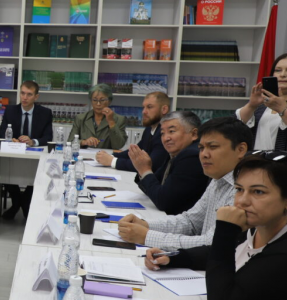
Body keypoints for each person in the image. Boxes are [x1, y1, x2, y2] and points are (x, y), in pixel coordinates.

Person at [144, 151, 287, 300]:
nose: (242, 201)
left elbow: (222, 298)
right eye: (239, 189)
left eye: (258, 192)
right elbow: (220, 254)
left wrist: (226, 229)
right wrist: (173, 257)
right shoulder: (258, 226)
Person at [118, 116, 252, 250]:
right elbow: (191, 222)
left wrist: (146, 236)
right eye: (201, 148)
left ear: (240, 150)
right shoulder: (218, 179)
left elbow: (212, 243)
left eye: (213, 147)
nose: (204, 154)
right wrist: (145, 224)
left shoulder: (245, 190)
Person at [132, 111, 208, 215]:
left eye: (171, 131)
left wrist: (145, 170)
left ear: (194, 134)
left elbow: (163, 201)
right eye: (162, 133)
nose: (165, 138)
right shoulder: (176, 153)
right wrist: (143, 169)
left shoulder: (191, 156)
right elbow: (153, 187)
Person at [0, 80, 53, 219]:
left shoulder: (45, 113)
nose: (25, 97)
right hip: (14, 155)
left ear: (36, 97)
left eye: (29, 94)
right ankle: (19, 202)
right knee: (4, 169)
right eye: (22, 93)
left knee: (38, 174)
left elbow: (48, 137)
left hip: (35, 157)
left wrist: (33, 141)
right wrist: (12, 140)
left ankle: (22, 202)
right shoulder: (10, 111)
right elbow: (1, 134)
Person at [237, 53, 287, 156]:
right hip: (255, 163)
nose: (282, 74)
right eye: (278, 70)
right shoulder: (261, 107)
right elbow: (233, 130)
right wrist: (251, 105)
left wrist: (282, 108)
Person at [96, 92, 169, 172]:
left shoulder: (165, 134)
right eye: (143, 107)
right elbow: (135, 152)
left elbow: (147, 165)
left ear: (164, 109)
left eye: (149, 107)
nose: (144, 111)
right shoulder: (149, 129)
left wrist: (112, 161)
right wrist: (110, 156)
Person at [67, 84, 126, 150]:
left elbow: (118, 145)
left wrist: (111, 122)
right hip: (85, 155)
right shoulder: (81, 118)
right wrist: (84, 142)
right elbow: (70, 142)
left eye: (102, 100)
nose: (98, 104)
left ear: (109, 101)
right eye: (95, 100)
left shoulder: (119, 119)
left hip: (106, 155)